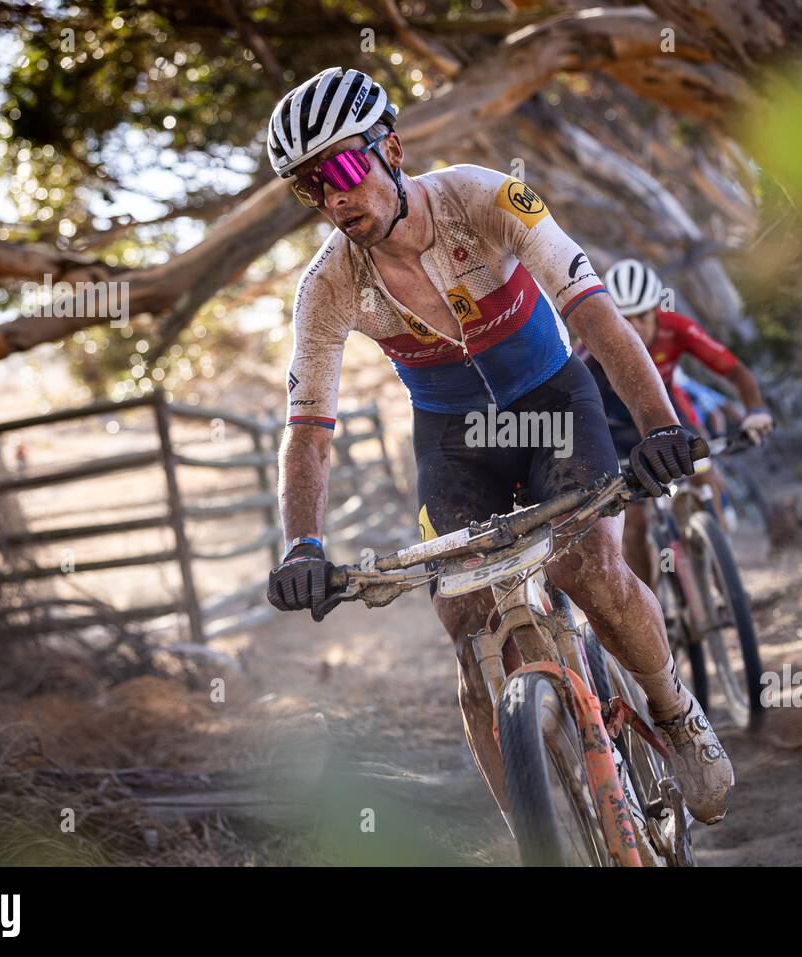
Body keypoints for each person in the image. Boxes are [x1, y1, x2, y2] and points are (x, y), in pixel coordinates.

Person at [262, 68, 735, 824]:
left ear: (392, 149)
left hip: (554, 405)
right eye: (309, 187)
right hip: (455, 444)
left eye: (343, 169)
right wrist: (302, 545)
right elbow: (309, 428)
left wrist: (660, 425)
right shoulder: (328, 285)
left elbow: (597, 317)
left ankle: (676, 714)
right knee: (468, 631)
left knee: (590, 568)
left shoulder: (486, 197)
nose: (333, 199)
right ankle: (532, 834)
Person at [582, 258, 774, 584]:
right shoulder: (594, 346)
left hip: (666, 418)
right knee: (633, 525)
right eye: (625, 318)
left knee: (705, 474)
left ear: (657, 310)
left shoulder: (675, 328)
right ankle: (648, 603)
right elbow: (575, 404)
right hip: (618, 432)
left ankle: (723, 570)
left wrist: (756, 410)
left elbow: (734, 370)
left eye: (643, 315)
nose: (635, 326)